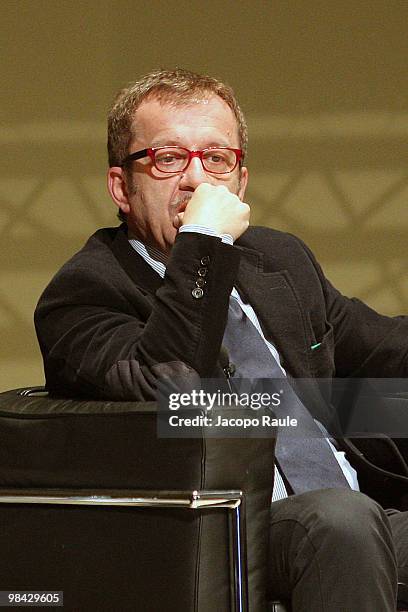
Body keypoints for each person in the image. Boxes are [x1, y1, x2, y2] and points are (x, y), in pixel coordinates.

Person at [34, 68, 408, 611]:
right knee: (339, 520)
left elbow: (378, 346)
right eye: (168, 159)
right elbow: (172, 386)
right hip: (225, 531)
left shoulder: (278, 259)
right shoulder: (85, 293)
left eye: (216, 159)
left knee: (349, 517)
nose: (195, 180)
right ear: (122, 187)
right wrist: (204, 242)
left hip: (358, 515)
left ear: (241, 181)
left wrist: (368, 407)